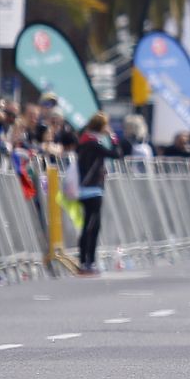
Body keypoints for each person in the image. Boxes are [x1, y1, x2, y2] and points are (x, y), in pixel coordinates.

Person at [73, 113, 122, 276]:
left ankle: (87, 261)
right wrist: (113, 137)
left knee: (92, 226)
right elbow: (117, 154)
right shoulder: (93, 143)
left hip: (88, 189)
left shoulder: (85, 140)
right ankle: (86, 262)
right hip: (92, 190)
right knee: (91, 226)